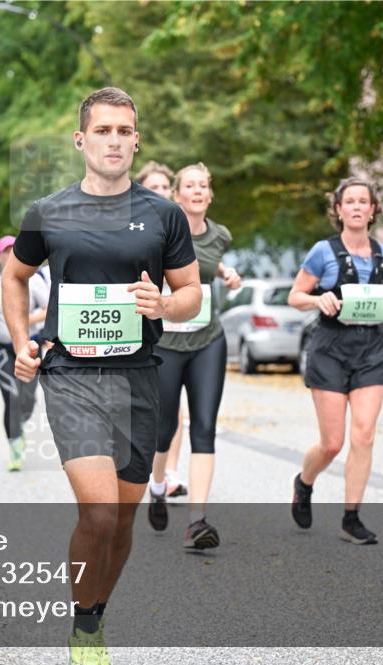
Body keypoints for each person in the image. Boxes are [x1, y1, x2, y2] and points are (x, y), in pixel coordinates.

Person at [2, 87, 201, 665]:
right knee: (99, 511)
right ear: (80, 139)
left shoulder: (163, 215)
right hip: (71, 375)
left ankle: (96, 612)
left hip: (138, 375)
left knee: (123, 520)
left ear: (136, 141)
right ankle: (84, 629)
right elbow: (14, 277)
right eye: (103, 130)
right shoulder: (48, 211)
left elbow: (190, 292)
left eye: (124, 131)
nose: (114, 140)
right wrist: (21, 341)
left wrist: (164, 305)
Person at [287, 177, 383, 545]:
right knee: (332, 443)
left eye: (363, 201)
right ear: (339, 210)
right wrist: (317, 299)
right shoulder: (323, 252)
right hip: (330, 348)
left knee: (364, 435)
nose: (356, 207)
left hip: (370, 348)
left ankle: (351, 518)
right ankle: (304, 482)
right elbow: (295, 296)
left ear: (373, 210)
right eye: (350, 201)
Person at [146, 163, 242, 551]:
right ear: (177, 195)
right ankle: (157, 487)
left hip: (207, 340)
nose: (198, 190)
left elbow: (208, 260)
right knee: (164, 428)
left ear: (210, 196)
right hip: (167, 342)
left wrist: (227, 274)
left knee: (204, 426)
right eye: (190, 185)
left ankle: (197, 521)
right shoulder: (160, 233)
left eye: (204, 185)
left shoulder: (220, 234)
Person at [134, 161, 188, 497]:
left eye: (166, 187)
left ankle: (169, 472)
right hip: (144, 334)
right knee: (155, 408)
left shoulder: (177, 225)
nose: (162, 193)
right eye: (154, 187)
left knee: (174, 408)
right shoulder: (134, 226)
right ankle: (148, 470)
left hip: (180, 329)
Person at [0, 235, 49, 471]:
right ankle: (15, 447)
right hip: (0, 348)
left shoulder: (34, 280)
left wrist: (22, 320)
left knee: (28, 400)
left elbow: (48, 309)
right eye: (5, 251)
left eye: (13, 250)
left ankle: (19, 427)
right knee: (12, 396)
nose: (9, 255)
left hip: (30, 346)